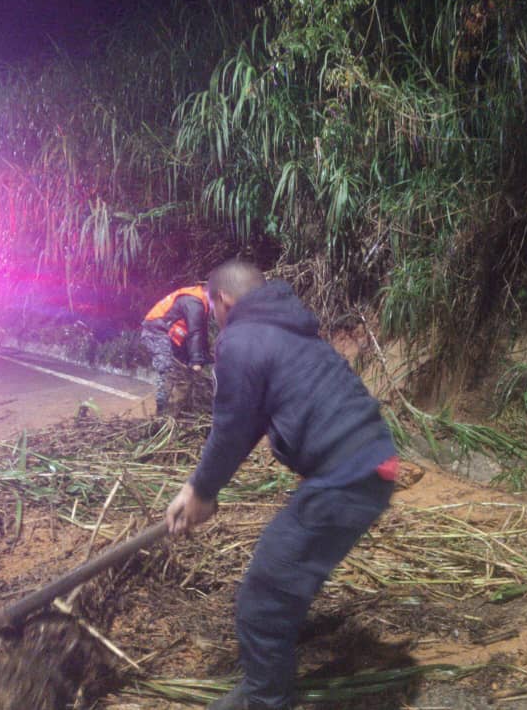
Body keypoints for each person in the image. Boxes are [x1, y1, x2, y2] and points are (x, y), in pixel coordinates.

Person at [165, 259, 398, 710]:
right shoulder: (289, 330)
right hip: (371, 462)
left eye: (213, 311)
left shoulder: (240, 338)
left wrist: (201, 491)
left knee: (262, 598)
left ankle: (265, 701)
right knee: (283, 578)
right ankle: (267, 682)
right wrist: (202, 491)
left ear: (224, 303)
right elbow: (251, 420)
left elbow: (231, 426)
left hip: (345, 477)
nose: (214, 322)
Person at [140, 284, 211, 414]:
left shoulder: (201, 301)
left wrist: (206, 357)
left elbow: (201, 333)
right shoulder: (193, 301)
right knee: (168, 371)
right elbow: (195, 332)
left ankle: (184, 408)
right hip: (156, 332)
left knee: (184, 371)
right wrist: (196, 362)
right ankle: (162, 413)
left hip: (172, 337)